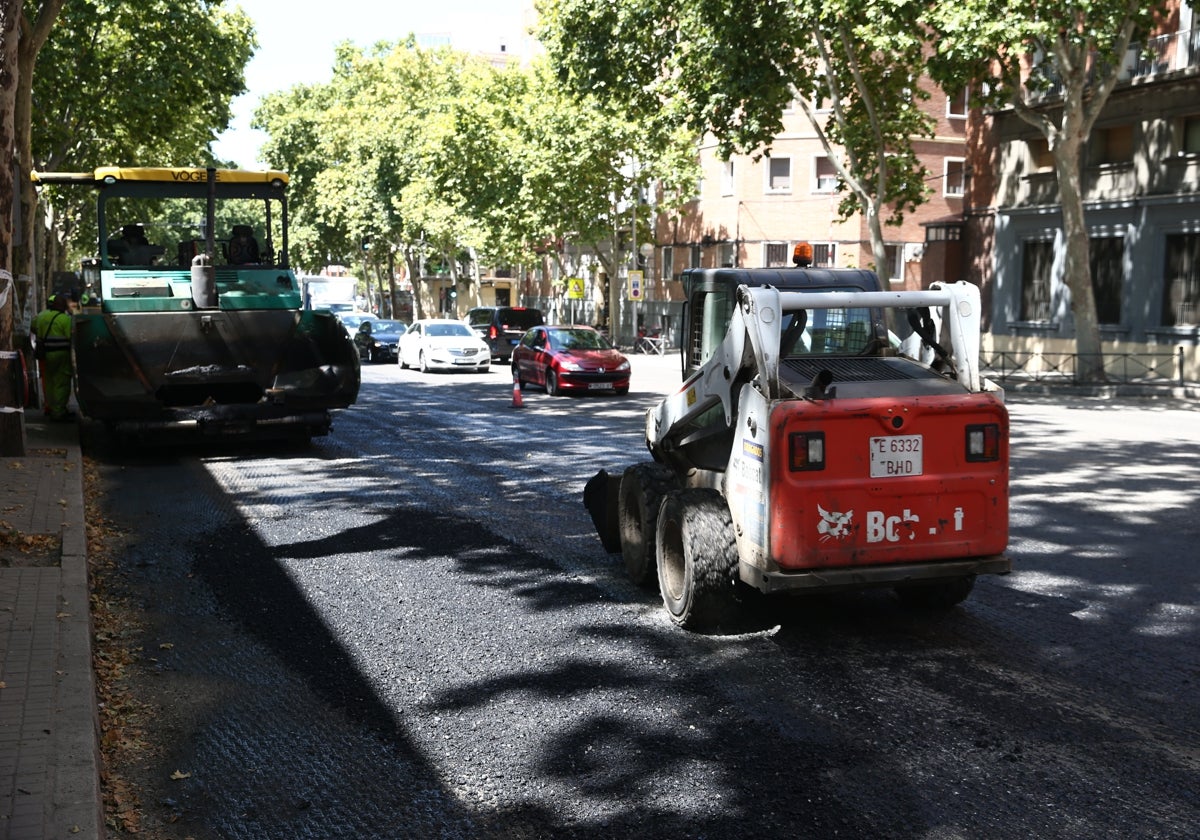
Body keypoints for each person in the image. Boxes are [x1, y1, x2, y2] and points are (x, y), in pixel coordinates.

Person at [32, 293, 75, 421]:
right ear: (62, 306)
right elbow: (71, 337)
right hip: (61, 355)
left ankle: (50, 408)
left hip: (46, 355)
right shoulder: (65, 319)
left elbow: (33, 327)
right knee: (61, 383)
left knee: (49, 382)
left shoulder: (42, 317)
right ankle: (59, 412)